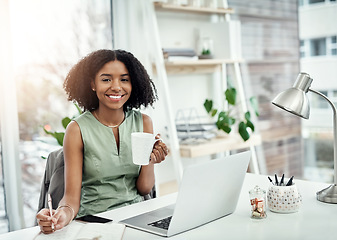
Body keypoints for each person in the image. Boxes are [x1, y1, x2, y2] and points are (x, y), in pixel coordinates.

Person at [36, 49, 169, 234]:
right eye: (106, 79)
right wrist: (59, 217)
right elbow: (70, 200)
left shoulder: (144, 122)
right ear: (92, 84)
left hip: (136, 217)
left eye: (124, 79)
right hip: (94, 222)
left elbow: (144, 188)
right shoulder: (76, 130)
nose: (116, 87)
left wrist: (151, 161)